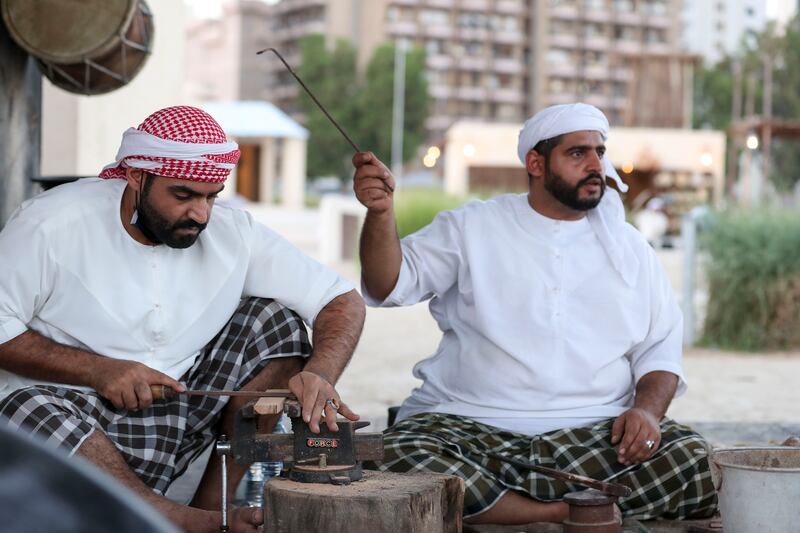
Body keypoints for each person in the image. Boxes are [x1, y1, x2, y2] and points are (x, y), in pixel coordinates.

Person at [0, 106, 365, 533]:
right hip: (73, 426)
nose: (201, 215)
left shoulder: (234, 233)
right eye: (183, 195)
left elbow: (341, 299)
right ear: (137, 176)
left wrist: (321, 373)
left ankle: (216, 505)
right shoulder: (51, 223)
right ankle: (177, 520)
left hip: (180, 416)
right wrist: (99, 370)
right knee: (22, 407)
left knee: (276, 322)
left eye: (211, 196)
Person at [353, 103, 716, 525]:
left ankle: (497, 510)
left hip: (596, 435)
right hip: (469, 427)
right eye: (578, 153)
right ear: (536, 163)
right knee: (397, 457)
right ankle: (563, 511)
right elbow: (387, 284)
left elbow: (659, 353)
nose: (596, 164)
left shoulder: (631, 249)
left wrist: (647, 414)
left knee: (695, 461)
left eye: (600, 151)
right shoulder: (472, 227)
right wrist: (380, 214)